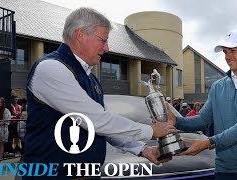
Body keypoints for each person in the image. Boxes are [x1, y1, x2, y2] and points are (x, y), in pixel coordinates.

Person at [24, 7, 175, 178]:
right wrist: (150, 130)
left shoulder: (91, 78)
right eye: (103, 40)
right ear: (80, 34)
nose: (107, 48)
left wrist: (142, 149)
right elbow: (94, 120)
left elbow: (102, 127)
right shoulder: (51, 68)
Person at [168, 30, 237, 179]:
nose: (227, 56)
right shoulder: (218, 86)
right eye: (225, 52)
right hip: (223, 169)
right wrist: (176, 121)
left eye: (233, 50)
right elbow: (203, 120)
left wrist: (208, 142)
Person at [0, 97, 11, 164]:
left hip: (2, 130)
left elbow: (7, 121)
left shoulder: (6, 110)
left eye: (1, 102)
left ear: (3, 103)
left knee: (0, 145)